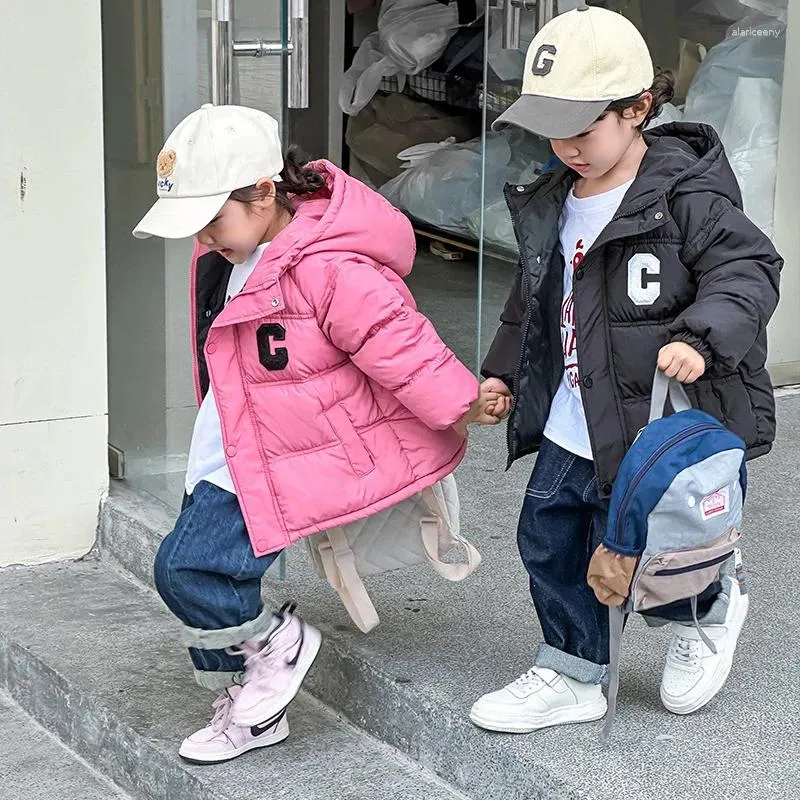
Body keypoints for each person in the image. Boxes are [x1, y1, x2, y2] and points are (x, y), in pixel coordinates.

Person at [133, 103, 501, 763]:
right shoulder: (225, 257)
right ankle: (255, 712)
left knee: (185, 568)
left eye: (211, 219)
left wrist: (461, 400)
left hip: (273, 461)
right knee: (212, 582)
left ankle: (283, 645)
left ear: (265, 192)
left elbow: (397, 340)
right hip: (225, 448)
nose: (205, 238)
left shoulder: (328, 265)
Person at [470, 5, 782, 733]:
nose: (566, 146)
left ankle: (709, 608)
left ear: (639, 107)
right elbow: (533, 299)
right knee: (548, 537)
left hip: (664, 425)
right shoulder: (554, 202)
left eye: (583, 128)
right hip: (573, 414)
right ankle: (575, 667)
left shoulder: (685, 192)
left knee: (667, 539)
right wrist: (506, 373)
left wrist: (704, 336)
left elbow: (749, 268)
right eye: (553, 128)